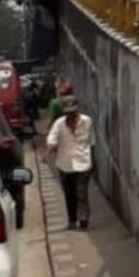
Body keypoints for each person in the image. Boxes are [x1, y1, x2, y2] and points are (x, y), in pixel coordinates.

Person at [46, 96, 94, 230]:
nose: (71, 115)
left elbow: (91, 142)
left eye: (73, 112)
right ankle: (72, 220)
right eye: (68, 113)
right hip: (65, 164)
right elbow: (52, 139)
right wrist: (50, 149)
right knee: (69, 194)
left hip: (83, 162)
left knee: (82, 193)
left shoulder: (87, 121)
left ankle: (83, 219)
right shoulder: (59, 124)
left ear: (77, 111)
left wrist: (93, 162)